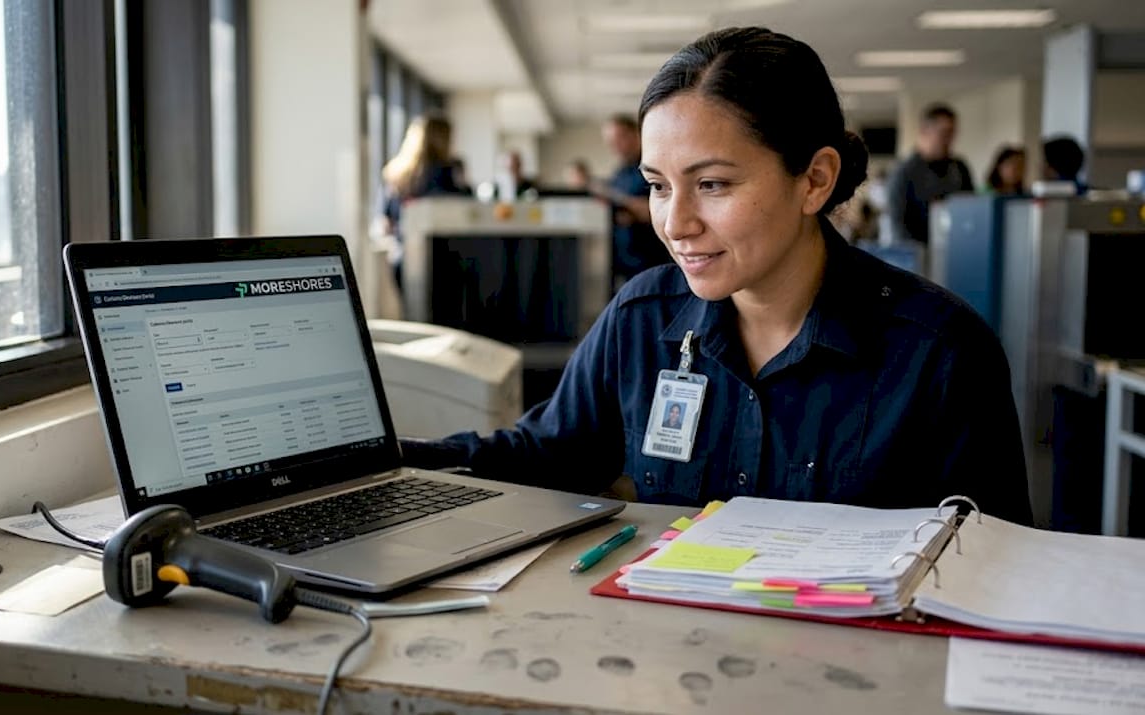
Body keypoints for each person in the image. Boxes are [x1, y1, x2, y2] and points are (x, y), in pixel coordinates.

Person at [401, 26, 1032, 525]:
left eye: (711, 184)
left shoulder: (939, 353)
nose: (676, 224)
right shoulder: (642, 318)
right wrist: (387, 458)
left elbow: (993, 566)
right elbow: (547, 454)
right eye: (657, 186)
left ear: (815, 179)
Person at [379, 114, 471, 289]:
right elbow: (464, 210)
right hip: (443, 259)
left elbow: (386, 223)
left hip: (404, 258)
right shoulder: (447, 171)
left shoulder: (397, 173)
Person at [591, 114, 672, 289]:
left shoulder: (655, 168)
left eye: (619, 139)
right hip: (624, 265)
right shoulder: (618, 175)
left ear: (636, 134)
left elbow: (662, 211)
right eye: (610, 142)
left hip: (652, 264)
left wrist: (624, 203)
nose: (615, 146)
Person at [885, 104, 974, 244]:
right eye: (943, 133)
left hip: (957, 247)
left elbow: (970, 212)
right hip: (918, 251)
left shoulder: (960, 168)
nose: (949, 140)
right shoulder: (903, 173)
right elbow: (899, 228)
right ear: (924, 131)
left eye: (952, 133)